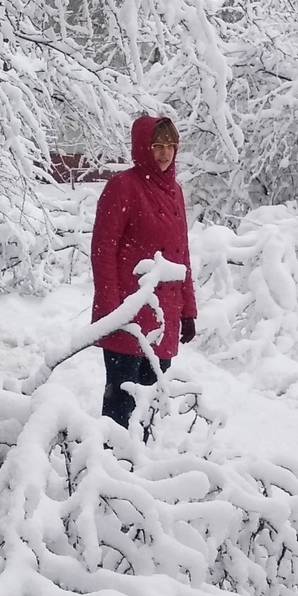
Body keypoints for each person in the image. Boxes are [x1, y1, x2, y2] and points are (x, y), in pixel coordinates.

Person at [90, 114, 196, 430]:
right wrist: (112, 312)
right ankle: (111, 465)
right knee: (122, 400)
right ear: (141, 148)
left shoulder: (175, 191)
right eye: (156, 146)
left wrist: (188, 310)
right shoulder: (123, 187)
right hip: (128, 310)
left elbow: (182, 254)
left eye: (170, 146)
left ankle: (138, 465)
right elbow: (103, 251)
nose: (164, 153)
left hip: (164, 317)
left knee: (148, 402)